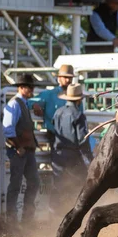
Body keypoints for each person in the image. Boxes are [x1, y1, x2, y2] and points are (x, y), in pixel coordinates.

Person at [2, 74, 40, 228]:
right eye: (29, 87)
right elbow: (8, 129)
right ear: (22, 88)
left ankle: (25, 218)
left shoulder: (22, 103)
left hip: (24, 150)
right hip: (19, 150)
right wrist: (18, 146)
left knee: (32, 182)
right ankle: (13, 219)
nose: (32, 89)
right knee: (17, 184)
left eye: (31, 87)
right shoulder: (15, 104)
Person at [51, 84, 93, 214]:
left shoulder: (58, 112)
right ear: (79, 99)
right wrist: (90, 158)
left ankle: (55, 213)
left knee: (59, 185)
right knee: (81, 184)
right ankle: (75, 212)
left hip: (57, 155)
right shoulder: (78, 115)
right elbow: (82, 139)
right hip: (72, 155)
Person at [30, 64, 76, 148]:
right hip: (55, 135)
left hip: (72, 135)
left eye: (70, 78)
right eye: (65, 77)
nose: (68, 80)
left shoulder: (75, 96)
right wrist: (34, 105)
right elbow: (29, 102)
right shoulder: (50, 94)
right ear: (59, 79)